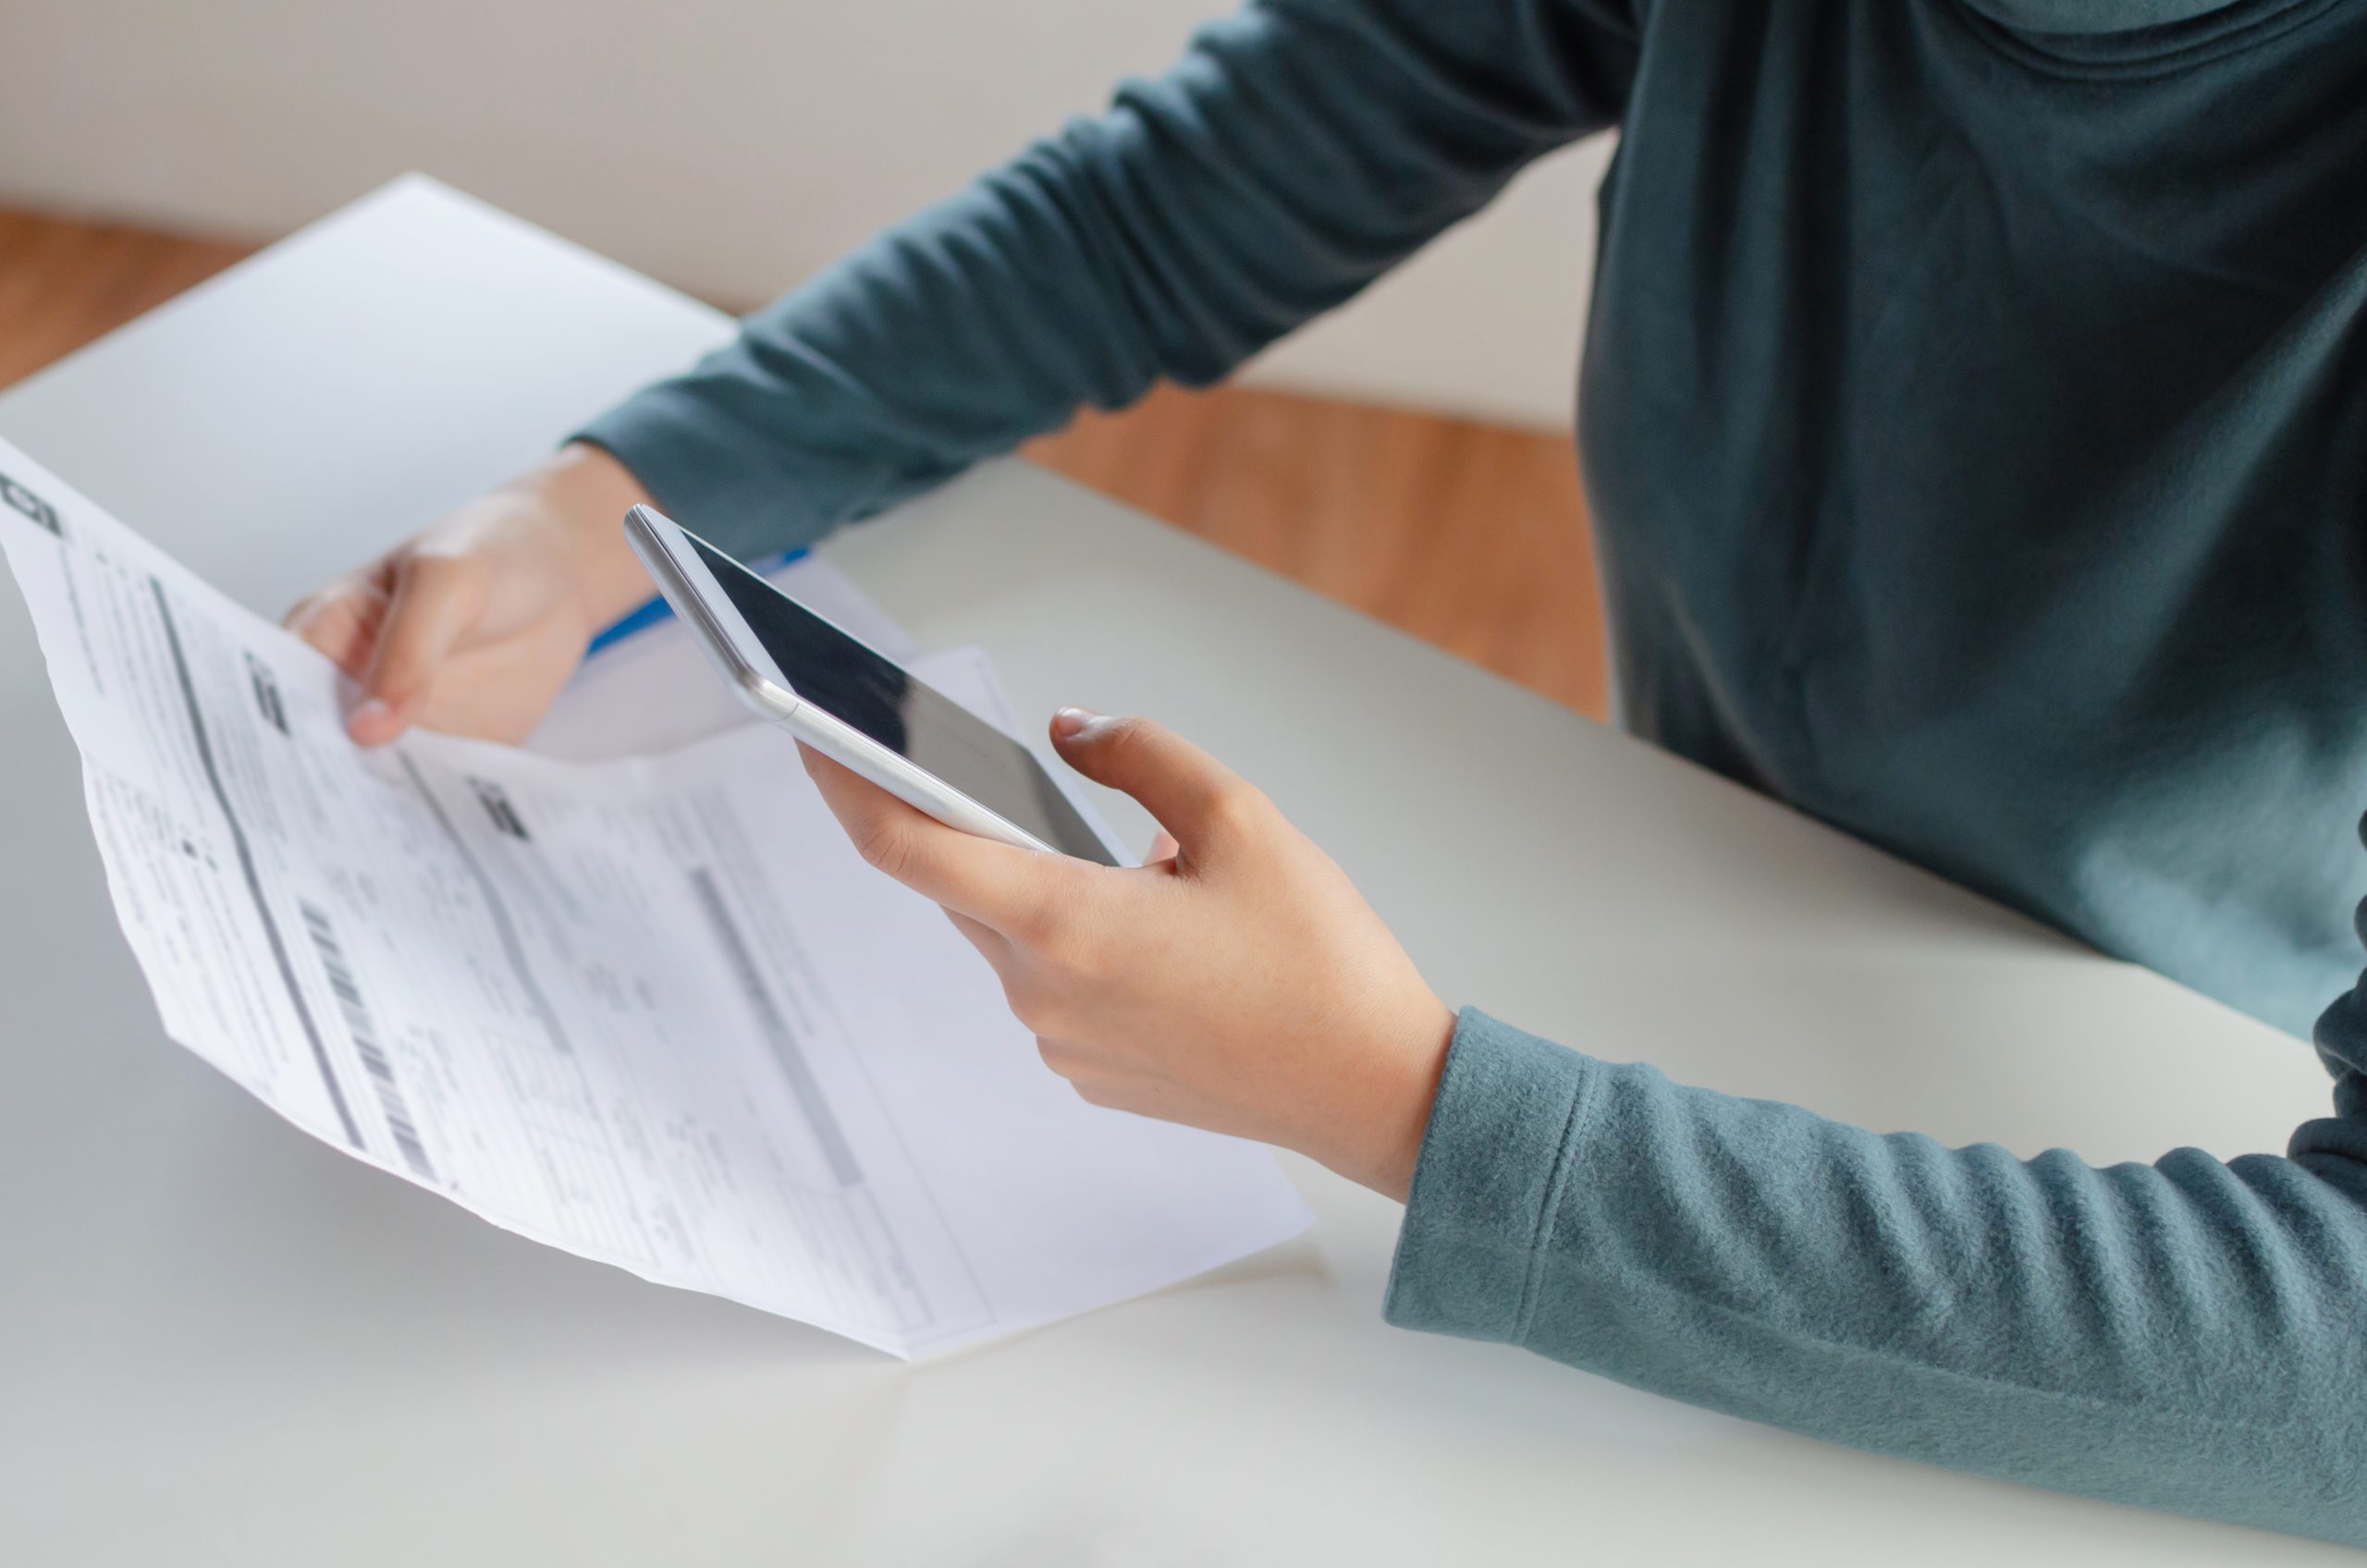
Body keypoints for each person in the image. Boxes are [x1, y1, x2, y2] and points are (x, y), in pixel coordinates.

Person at [285, 0, 2367, 1546]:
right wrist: (623, 495)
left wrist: (1403, 1105)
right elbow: (1176, 203)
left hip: (2109, 1107)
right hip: (1691, 889)